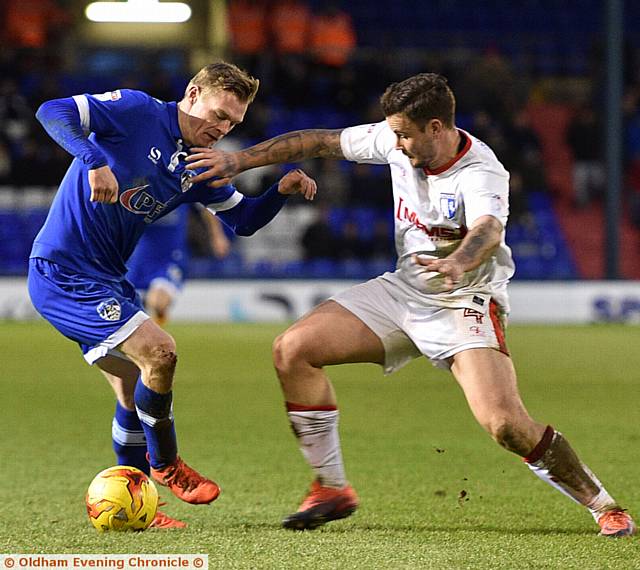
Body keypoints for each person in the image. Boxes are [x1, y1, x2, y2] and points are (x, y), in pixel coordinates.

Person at [185, 73, 636, 537]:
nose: (395, 143)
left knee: (505, 424)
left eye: (404, 134)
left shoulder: (480, 171)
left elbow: (488, 230)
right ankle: (332, 486)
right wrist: (239, 159)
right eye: (393, 132)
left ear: (436, 128)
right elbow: (316, 141)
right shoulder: (393, 138)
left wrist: (460, 261)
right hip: (404, 290)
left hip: (465, 297)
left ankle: (604, 505)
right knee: (293, 348)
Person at [28, 61, 317, 529]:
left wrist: (279, 191)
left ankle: (138, 506)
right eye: (218, 114)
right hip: (62, 272)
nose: (221, 129)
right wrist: (94, 160)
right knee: (160, 351)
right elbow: (51, 111)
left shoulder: (199, 165)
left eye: (232, 124)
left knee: (129, 390)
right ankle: (166, 464)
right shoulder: (137, 111)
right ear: (192, 93)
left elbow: (241, 221)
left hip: (107, 279)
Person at [127, 205, 231, 326]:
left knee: (158, 302)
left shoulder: (184, 187)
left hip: (171, 256)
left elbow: (206, 207)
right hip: (140, 257)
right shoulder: (139, 191)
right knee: (127, 307)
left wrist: (217, 236)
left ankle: (154, 331)